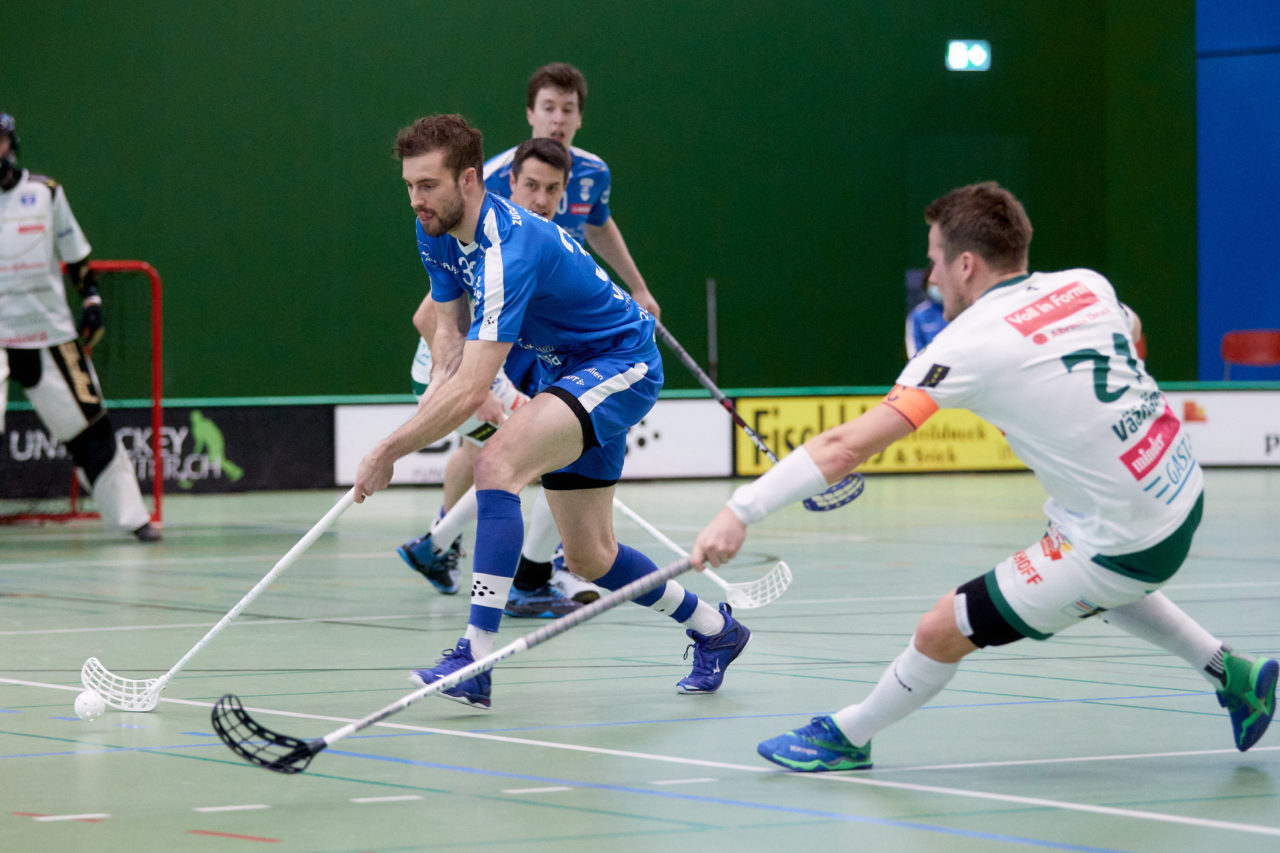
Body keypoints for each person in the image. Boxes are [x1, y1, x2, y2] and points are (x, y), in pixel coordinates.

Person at [692, 181, 1276, 770]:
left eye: (934, 260)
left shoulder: (967, 343)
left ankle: (847, 736)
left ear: (965, 263)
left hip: (1126, 537)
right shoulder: (1085, 284)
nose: (931, 277)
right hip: (1178, 489)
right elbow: (1131, 328)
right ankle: (1236, 676)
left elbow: (845, 448)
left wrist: (740, 512)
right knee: (1096, 578)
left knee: (941, 628)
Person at [355, 114, 749, 709]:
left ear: (467, 180)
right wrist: (440, 371)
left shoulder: (509, 250)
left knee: (497, 466)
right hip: (563, 371)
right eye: (409, 185)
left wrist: (388, 450)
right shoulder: (432, 231)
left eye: (427, 185)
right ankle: (717, 632)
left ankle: (476, 655)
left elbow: (473, 390)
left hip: (620, 363)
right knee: (592, 557)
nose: (416, 199)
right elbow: (446, 327)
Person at [396, 138, 596, 617]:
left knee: (511, 458)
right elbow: (429, 320)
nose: (541, 200)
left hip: (474, 380)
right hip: (449, 381)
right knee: (543, 459)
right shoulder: (489, 237)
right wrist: (474, 387)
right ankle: (527, 579)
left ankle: (435, 545)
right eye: (531, 187)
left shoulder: (532, 239)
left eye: (552, 190)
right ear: (510, 184)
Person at [0, 112, 160, 542]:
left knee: (90, 427)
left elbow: (74, 253)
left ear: (10, 144)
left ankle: (132, 518)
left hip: (48, 333)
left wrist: (91, 300)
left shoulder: (45, 193)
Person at [483, 62, 660, 319]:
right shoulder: (492, 177)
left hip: (560, 304)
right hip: (504, 305)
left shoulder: (594, 172)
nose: (558, 118)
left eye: (568, 110)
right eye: (548, 108)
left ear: (579, 119)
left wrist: (639, 288)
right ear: (530, 114)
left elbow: (598, 225)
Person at [905, 259, 946, 358]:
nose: (936, 285)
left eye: (939, 282)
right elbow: (914, 353)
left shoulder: (965, 311)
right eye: (932, 283)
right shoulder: (919, 314)